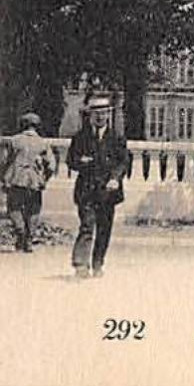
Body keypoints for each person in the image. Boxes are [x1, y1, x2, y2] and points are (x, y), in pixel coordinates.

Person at [66, 93, 128, 279]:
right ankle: (81, 264)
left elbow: (123, 162)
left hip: (108, 192)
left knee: (104, 229)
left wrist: (115, 179)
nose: (100, 116)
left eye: (103, 113)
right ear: (90, 115)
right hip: (86, 190)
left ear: (109, 114)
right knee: (86, 225)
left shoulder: (116, 137)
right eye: (96, 113)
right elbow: (70, 160)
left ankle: (98, 263)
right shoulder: (81, 137)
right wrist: (81, 161)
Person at [1, 111, 55, 251]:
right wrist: (44, 178)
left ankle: (20, 232)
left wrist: (4, 177)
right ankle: (29, 239)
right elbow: (51, 164)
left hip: (16, 178)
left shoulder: (14, 141)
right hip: (34, 180)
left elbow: (4, 161)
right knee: (34, 209)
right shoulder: (43, 143)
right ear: (37, 126)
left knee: (14, 207)